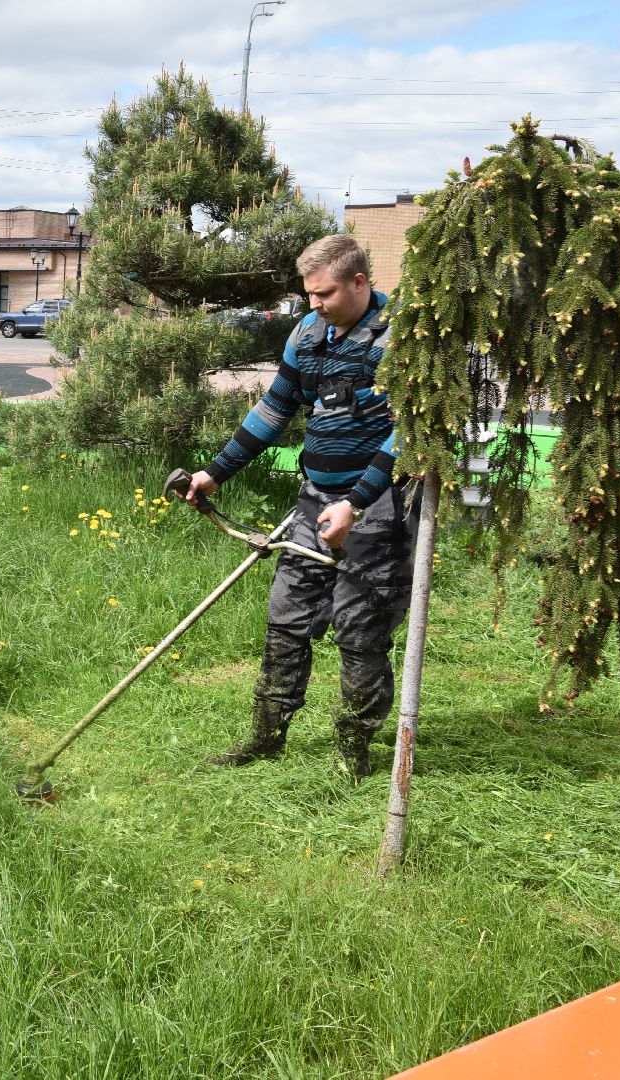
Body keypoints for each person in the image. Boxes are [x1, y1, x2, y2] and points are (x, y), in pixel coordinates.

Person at [183, 235, 414, 782]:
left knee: (360, 632)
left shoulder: (401, 338)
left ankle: (353, 753)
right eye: (308, 294)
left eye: (325, 293)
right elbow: (275, 408)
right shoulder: (306, 333)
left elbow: (413, 431)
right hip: (313, 502)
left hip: (377, 508)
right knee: (286, 620)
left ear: (360, 282)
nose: (315, 304)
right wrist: (215, 472)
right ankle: (267, 739)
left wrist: (356, 503)